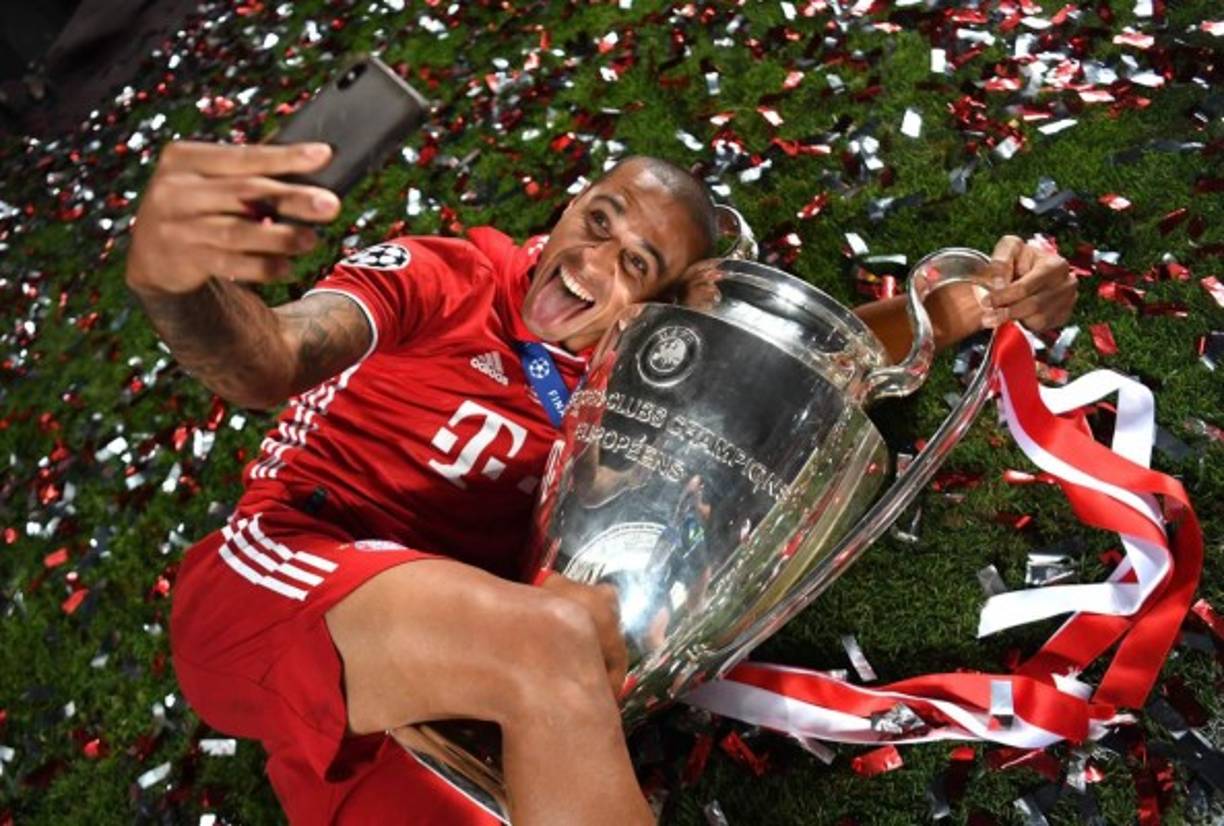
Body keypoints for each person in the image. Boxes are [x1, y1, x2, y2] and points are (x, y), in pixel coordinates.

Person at [125, 140, 1076, 825]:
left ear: (663, 309)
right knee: (558, 632)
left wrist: (975, 301)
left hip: (431, 678)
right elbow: (271, 357)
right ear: (568, 205)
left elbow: (820, 357)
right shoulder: (447, 276)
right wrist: (180, 285)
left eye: (635, 265)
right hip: (278, 579)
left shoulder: (636, 374)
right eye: (596, 222)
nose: (587, 264)